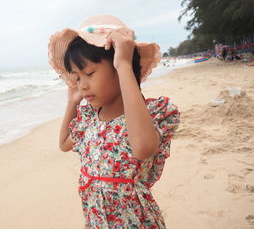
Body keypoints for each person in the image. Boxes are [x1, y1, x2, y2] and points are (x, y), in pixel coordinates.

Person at [48, 14, 180, 228]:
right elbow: (64, 143)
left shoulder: (146, 116)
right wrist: (72, 103)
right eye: (77, 77)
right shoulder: (90, 119)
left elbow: (144, 148)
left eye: (89, 73)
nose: (82, 85)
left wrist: (124, 66)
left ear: (120, 67)